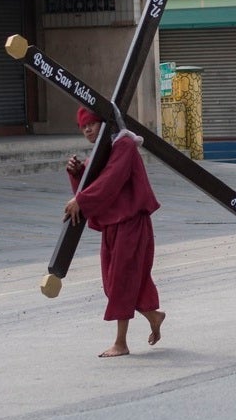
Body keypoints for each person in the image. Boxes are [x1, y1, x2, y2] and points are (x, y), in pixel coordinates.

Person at [66, 107, 165, 357]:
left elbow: (110, 181)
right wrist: (77, 173)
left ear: (105, 124)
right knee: (113, 282)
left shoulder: (124, 146)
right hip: (113, 224)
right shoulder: (105, 150)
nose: (87, 129)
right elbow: (93, 180)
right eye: (83, 126)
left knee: (122, 279)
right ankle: (154, 316)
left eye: (92, 124)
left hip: (131, 222)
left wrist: (82, 201)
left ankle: (121, 343)